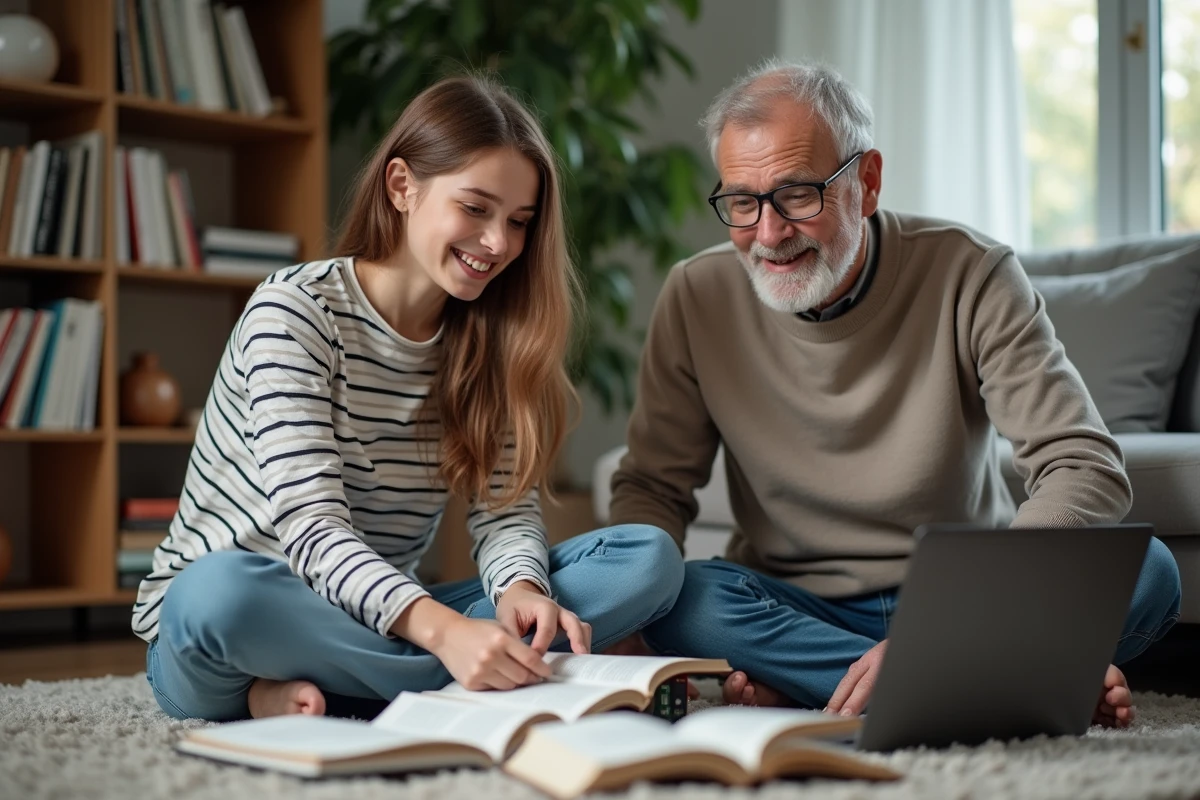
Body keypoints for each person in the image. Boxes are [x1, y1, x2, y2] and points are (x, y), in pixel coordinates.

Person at [610, 60, 1181, 727]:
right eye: (742, 201)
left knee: (1150, 571)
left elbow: (1081, 463)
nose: (768, 234)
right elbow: (652, 486)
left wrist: (964, 621)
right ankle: (1002, 679)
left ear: (867, 182)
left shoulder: (972, 271)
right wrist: (628, 602)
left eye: (798, 194)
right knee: (689, 600)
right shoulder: (695, 294)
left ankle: (829, 681)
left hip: (962, 593)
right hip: (793, 601)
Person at [132, 75, 684, 722]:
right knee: (212, 594)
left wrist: (522, 589)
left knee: (648, 560)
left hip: (377, 618)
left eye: (518, 222)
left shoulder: (492, 339)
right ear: (402, 187)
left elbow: (504, 512)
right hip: (254, 611)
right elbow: (311, 531)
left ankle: (357, 686)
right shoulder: (293, 313)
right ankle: (462, 672)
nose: (499, 243)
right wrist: (448, 634)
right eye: (475, 208)